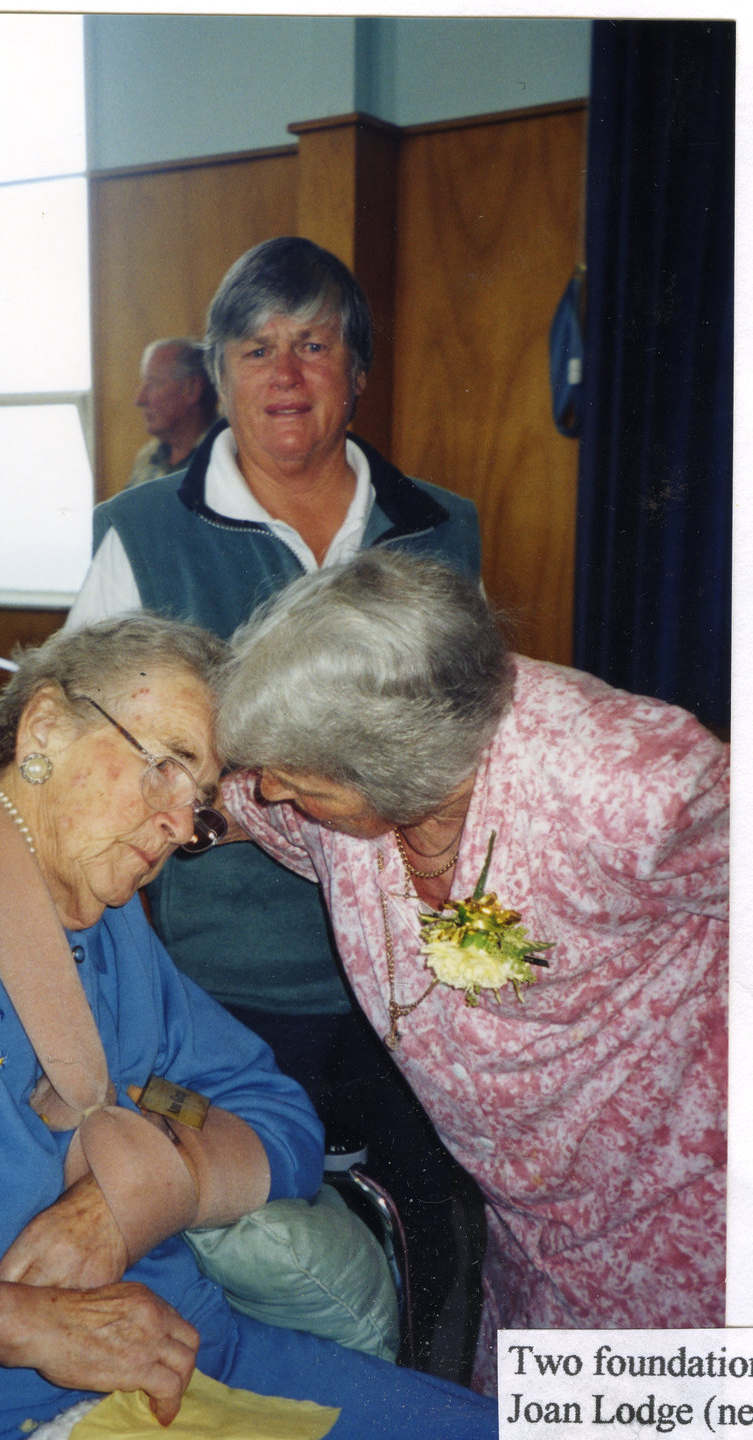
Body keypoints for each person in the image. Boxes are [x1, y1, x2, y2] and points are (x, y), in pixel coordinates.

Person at [0, 614, 497, 1440]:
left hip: (188, 1347)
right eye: (166, 769)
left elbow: (275, 1113)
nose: (183, 828)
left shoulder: (109, 923)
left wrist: (123, 1201)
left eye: (202, 802)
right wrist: (17, 1321)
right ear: (44, 727)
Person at [64, 236, 484, 1367]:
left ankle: (422, 1394)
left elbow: (470, 734)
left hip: (415, 972)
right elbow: (84, 746)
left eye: (314, 344)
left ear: (357, 373)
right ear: (218, 373)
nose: (286, 374)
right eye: (257, 348)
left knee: (440, 1214)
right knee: (258, 1249)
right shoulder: (141, 532)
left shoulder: (440, 526)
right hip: (234, 981)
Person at [215, 549, 728, 1395]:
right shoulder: (314, 792)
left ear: (396, 764)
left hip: (686, 1220)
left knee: (673, 1410)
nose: (269, 793)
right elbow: (226, 801)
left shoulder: (625, 785)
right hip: (530, 1231)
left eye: (299, 783)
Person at [126, 338, 218, 487]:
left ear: (192, 388)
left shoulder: (228, 454)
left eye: (153, 384)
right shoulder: (148, 457)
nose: (140, 399)